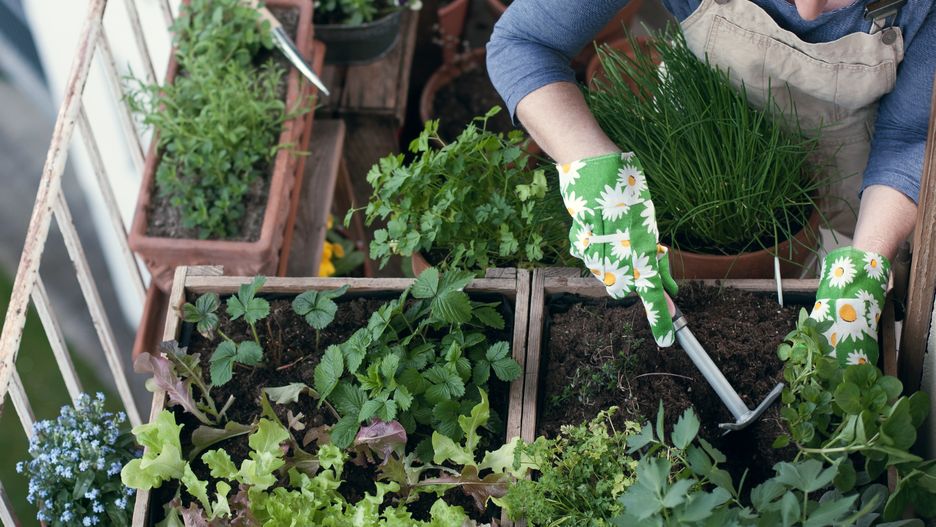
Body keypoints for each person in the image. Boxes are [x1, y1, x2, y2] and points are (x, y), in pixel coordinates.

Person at [486, 0, 934, 366]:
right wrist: (593, 168)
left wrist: (867, 261)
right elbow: (523, 42)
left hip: (853, 172)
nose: (809, 9)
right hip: (699, 142)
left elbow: (910, 135)